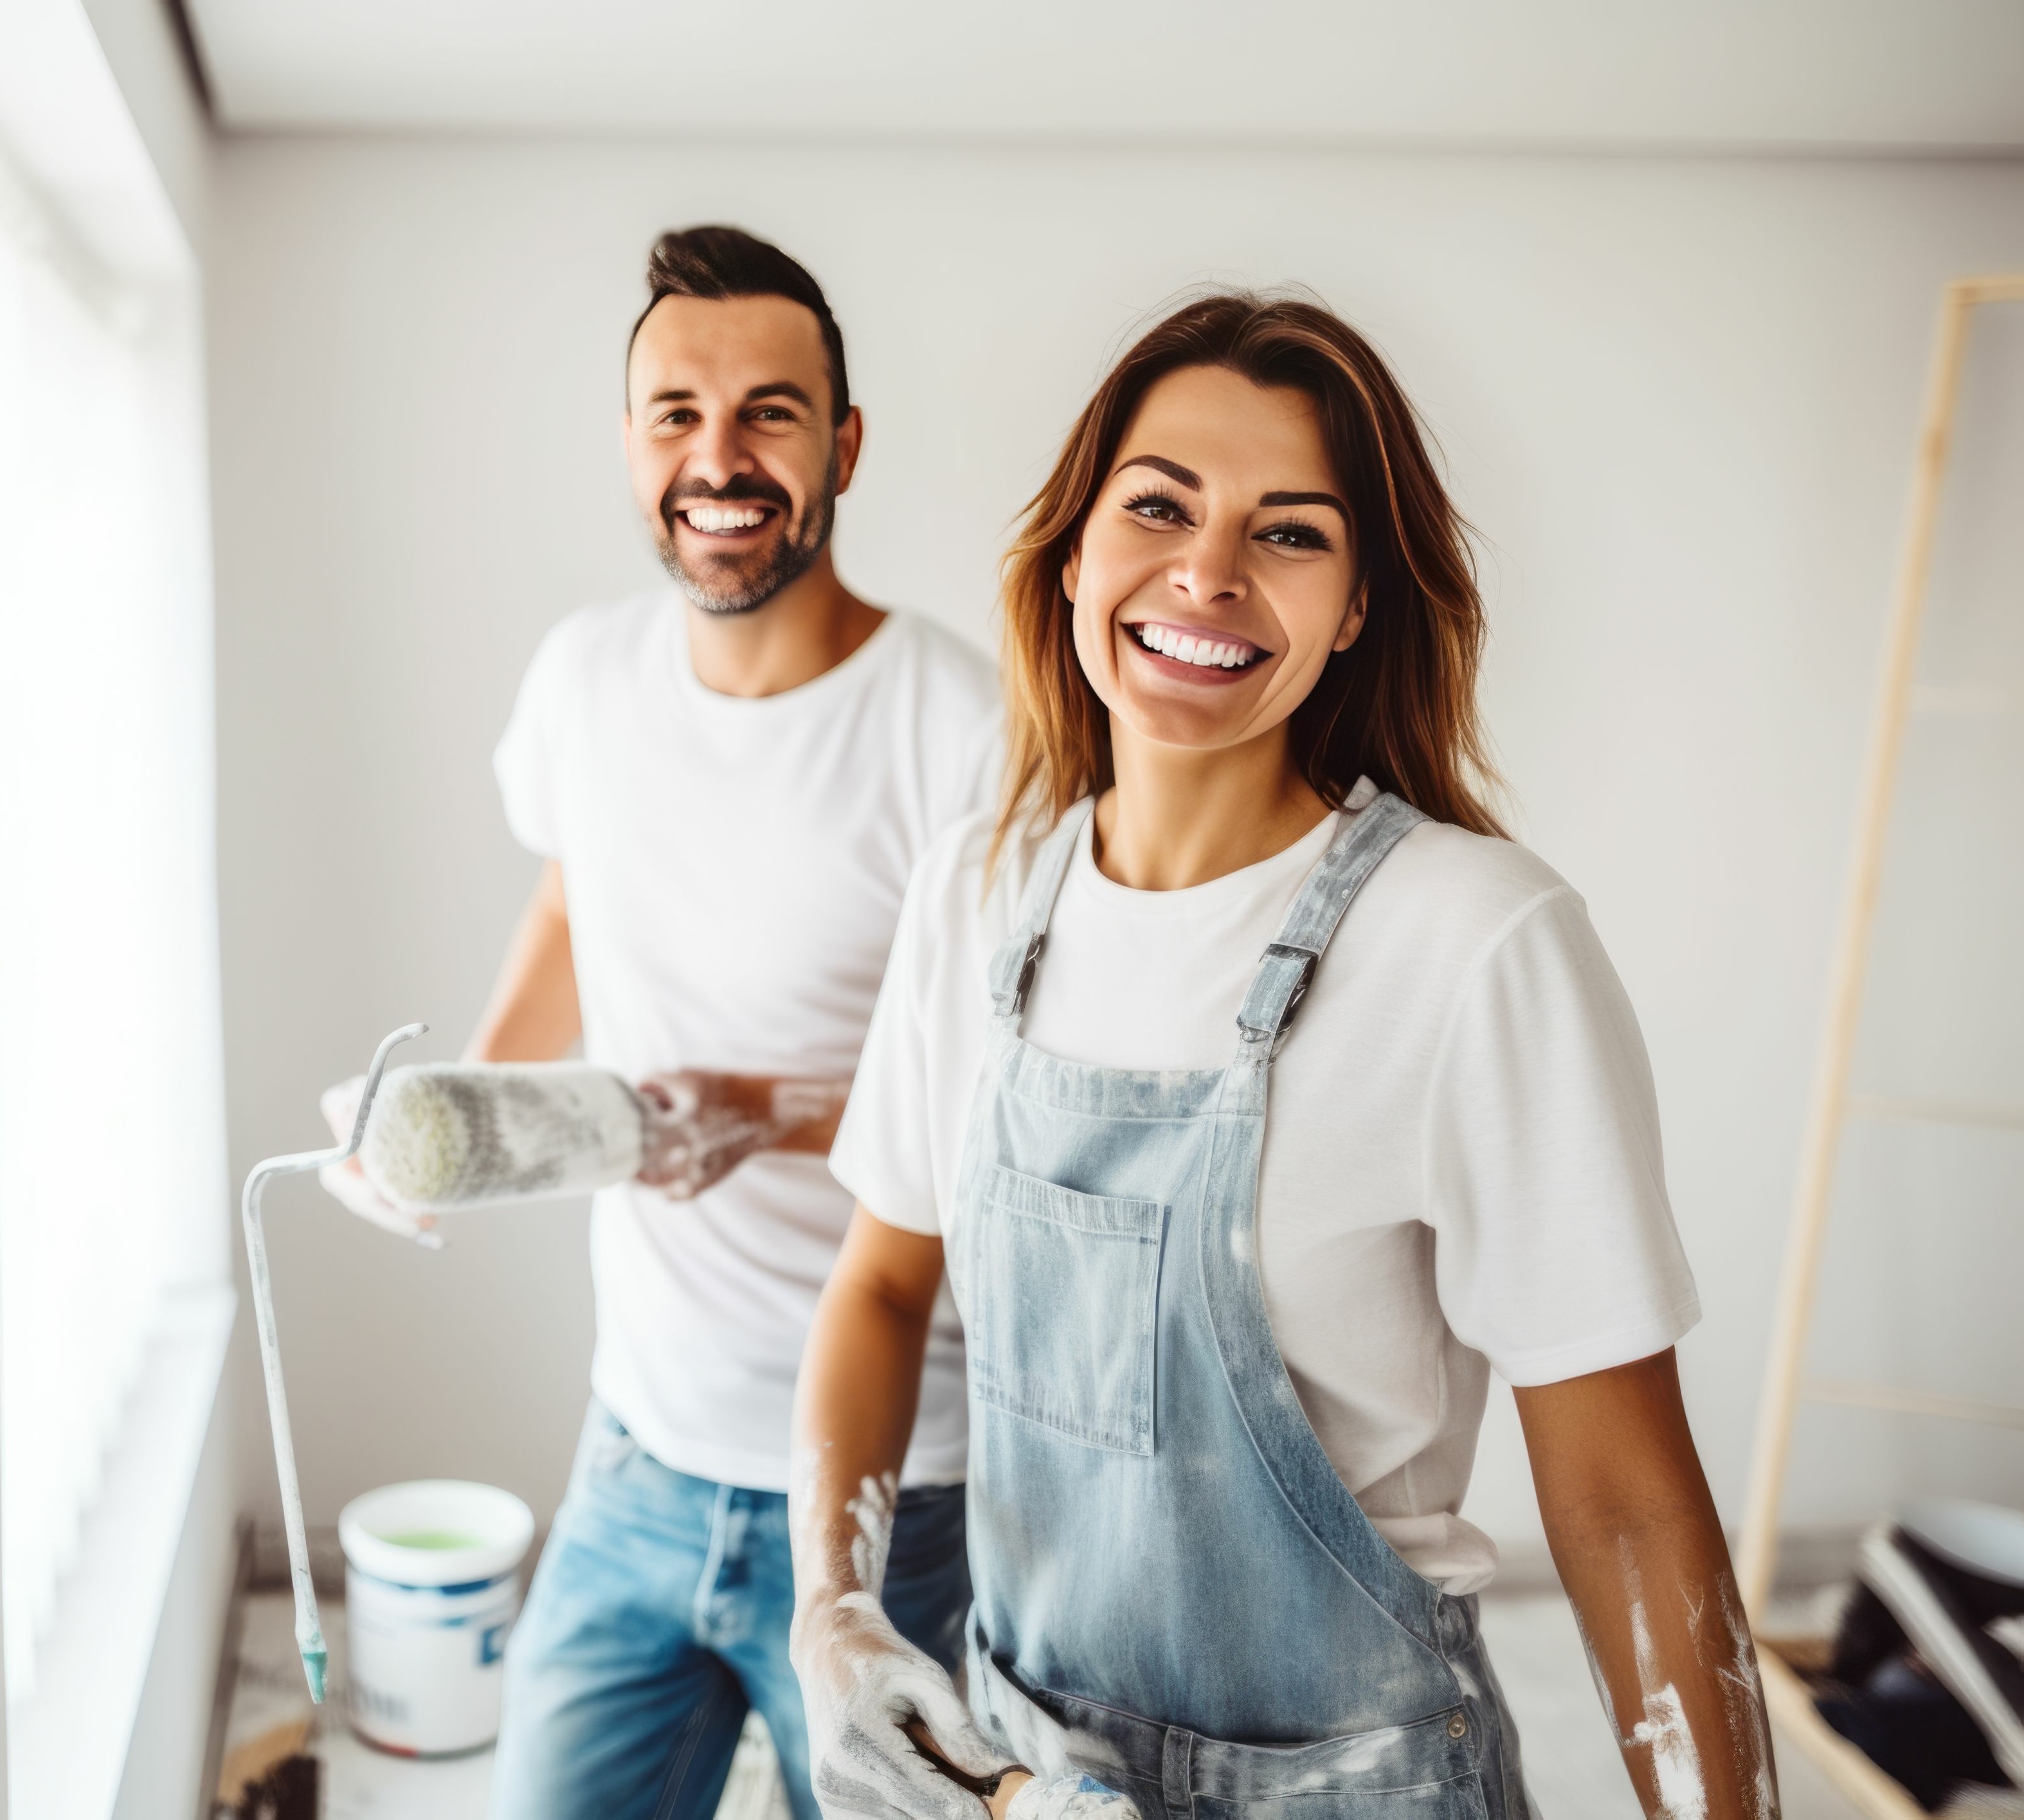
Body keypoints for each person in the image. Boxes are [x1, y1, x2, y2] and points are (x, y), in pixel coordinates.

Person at [789, 293, 1780, 1820]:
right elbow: (876, 1283)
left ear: (1362, 604)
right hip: (1025, 1780)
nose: (1210, 572)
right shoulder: (976, 902)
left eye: (1292, 533)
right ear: (1072, 557)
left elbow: (1631, 1510)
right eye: (1161, 506)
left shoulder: (1476, 946)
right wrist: (833, 1615)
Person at [321, 226, 1001, 1817]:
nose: (720, 456)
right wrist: (463, 1115)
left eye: (771, 412)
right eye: (675, 414)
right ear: (630, 444)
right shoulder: (584, 680)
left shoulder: (956, 729)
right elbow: (575, 898)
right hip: (635, 1458)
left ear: (843, 444)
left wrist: (758, 1111)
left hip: (895, 1499)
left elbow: (1002, 1107)